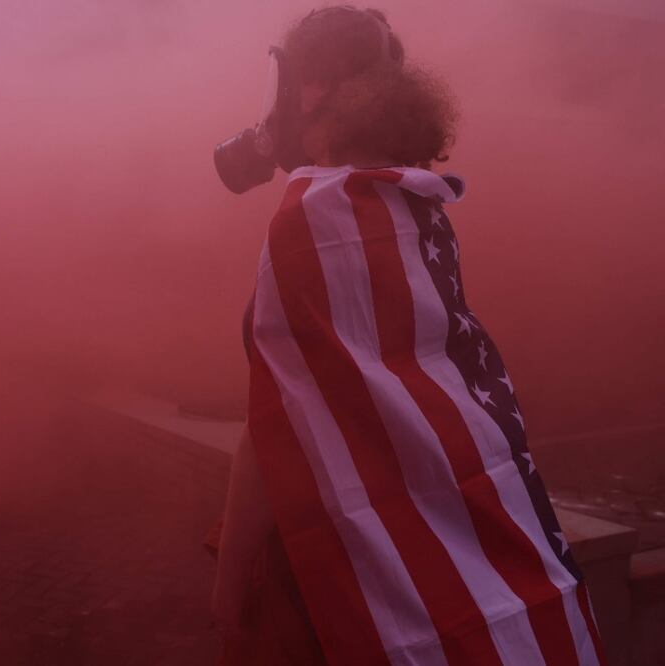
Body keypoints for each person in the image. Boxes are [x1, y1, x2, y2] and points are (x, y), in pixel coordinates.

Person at [205, 6, 608, 666]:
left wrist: (228, 590)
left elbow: (273, 423)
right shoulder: (413, 204)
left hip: (333, 572)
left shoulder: (311, 218)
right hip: (453, 556)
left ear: (310, 90)